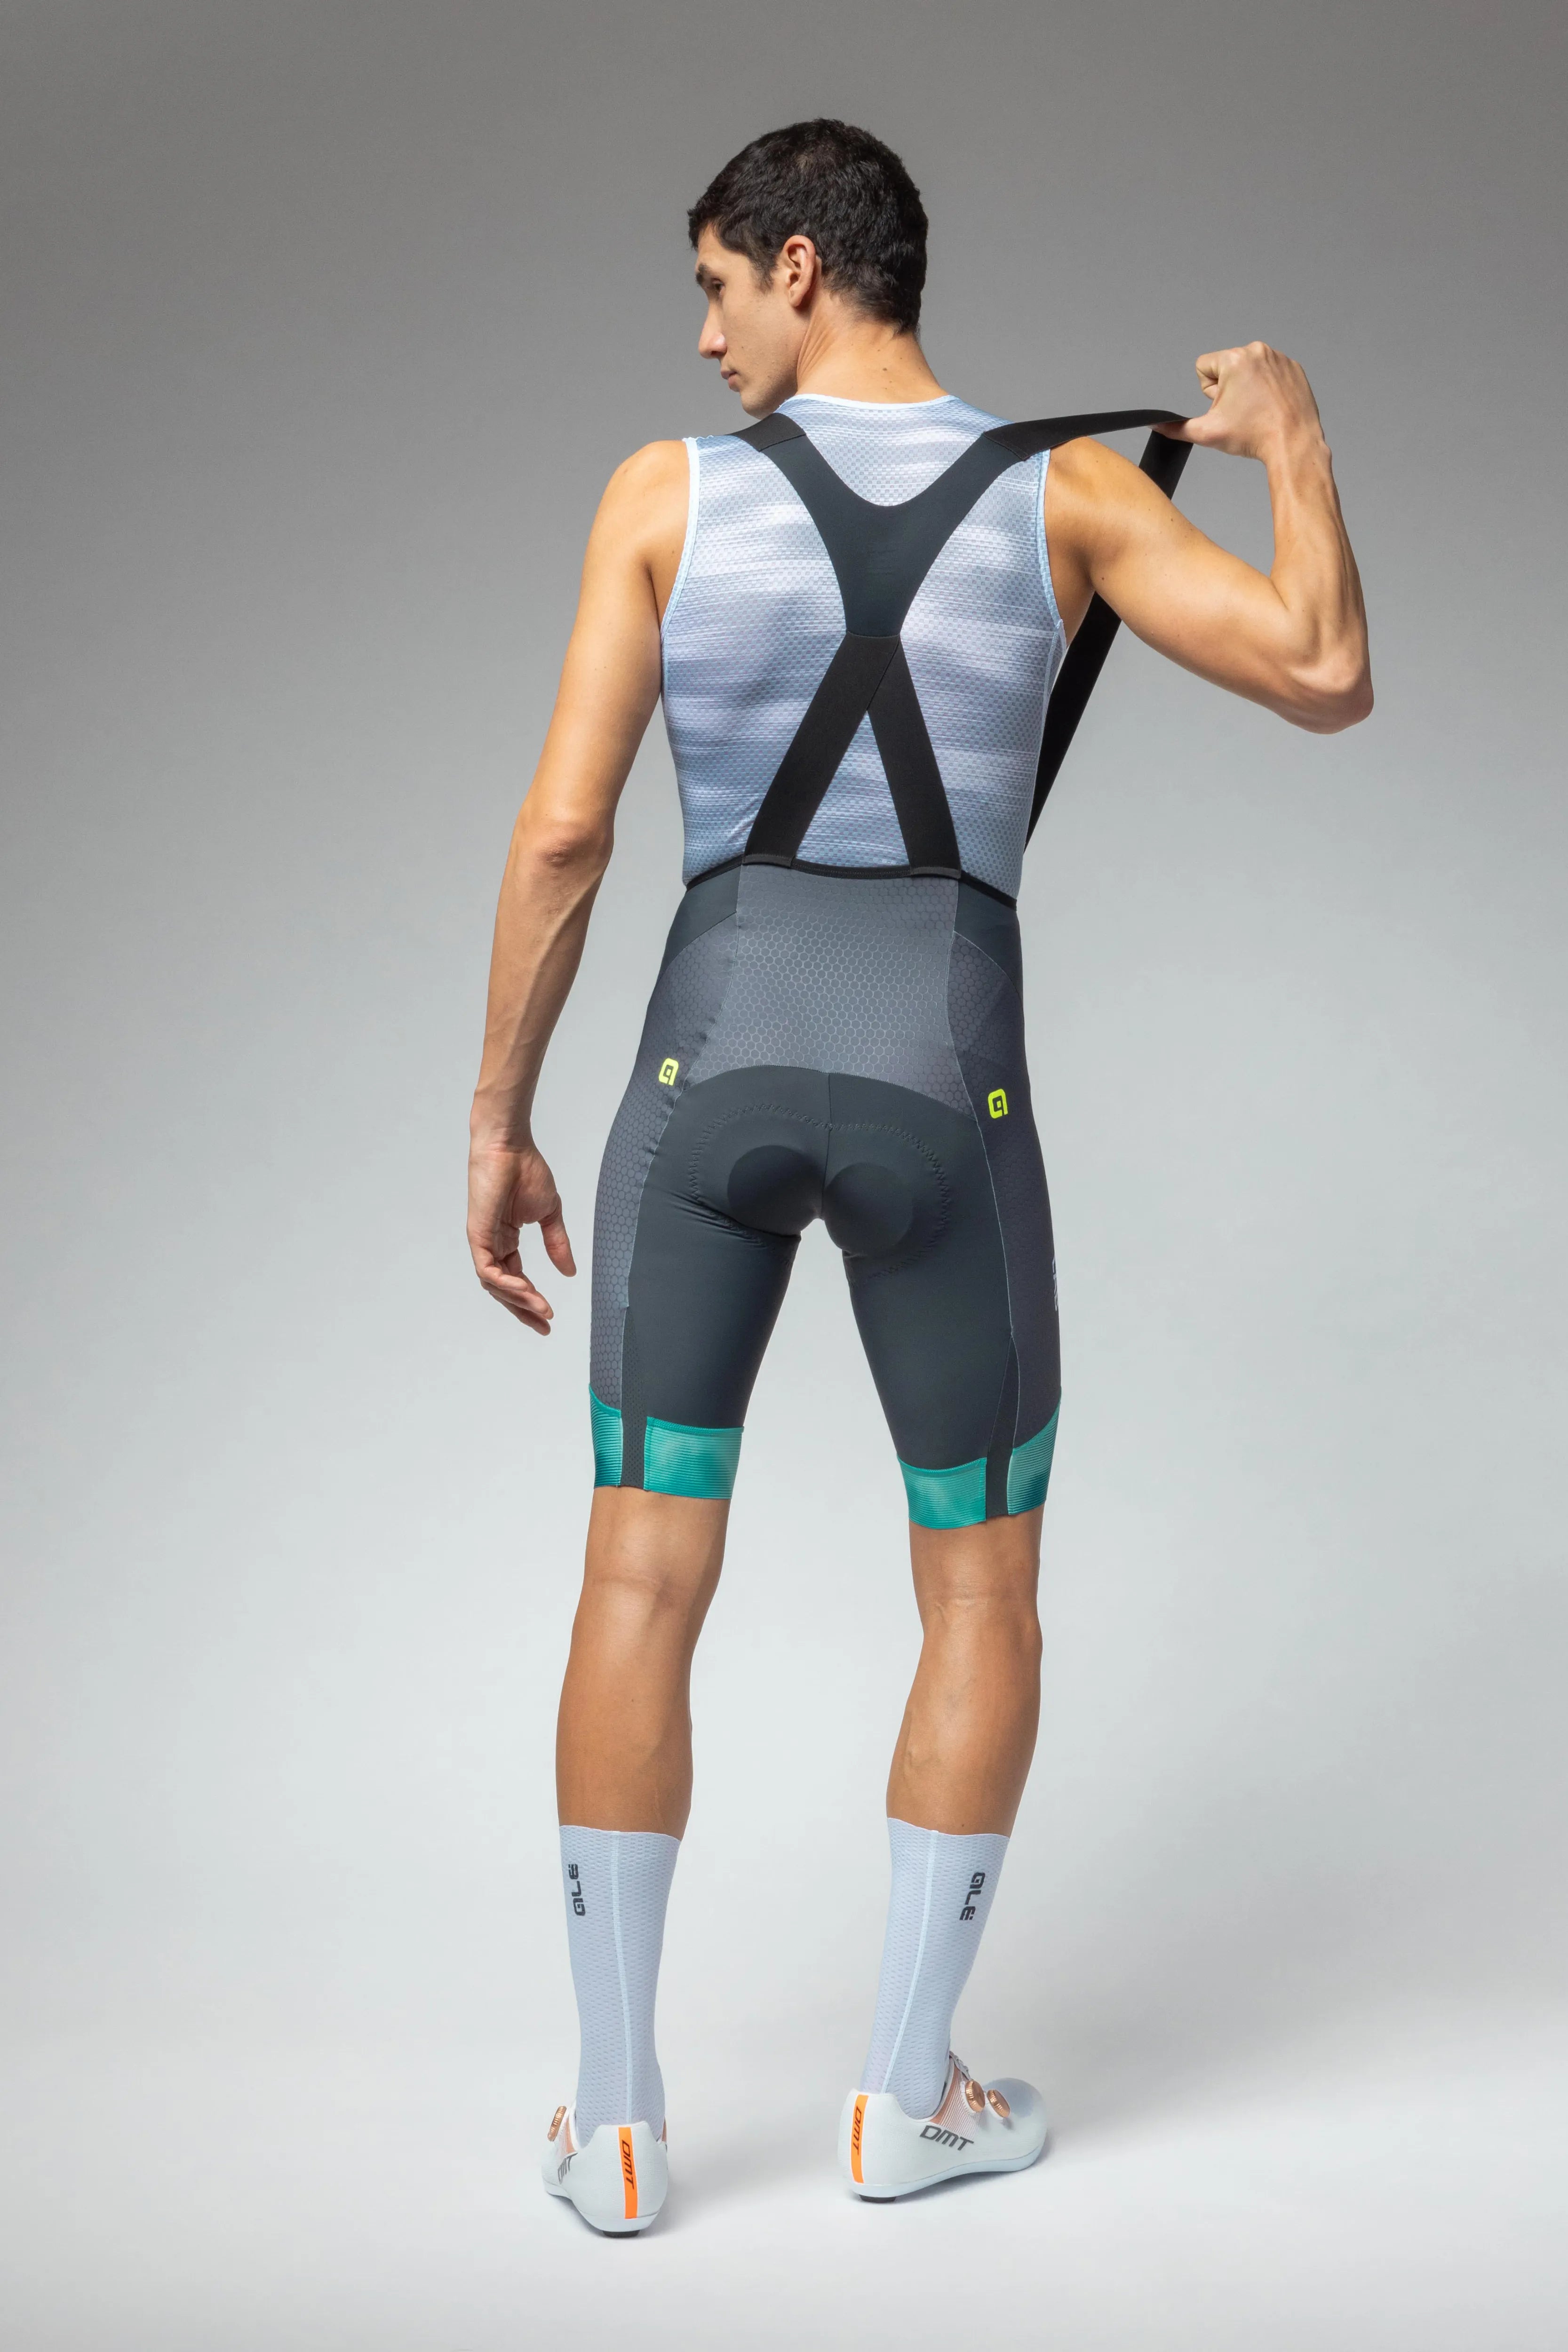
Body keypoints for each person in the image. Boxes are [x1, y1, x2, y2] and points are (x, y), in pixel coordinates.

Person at [467, 119, 1370, 2234]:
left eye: (718, 288)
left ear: (804, 263)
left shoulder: (661, 497)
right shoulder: (1071, 497)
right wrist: (1297, 439)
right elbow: (1328, 671)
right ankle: (902, 2097)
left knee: (636, 1579)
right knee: (977, 1588)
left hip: (701, 1086)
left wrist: (499, 1115)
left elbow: (566, 836)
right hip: (943, 1095)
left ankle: (616, 2122)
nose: (707, 338)